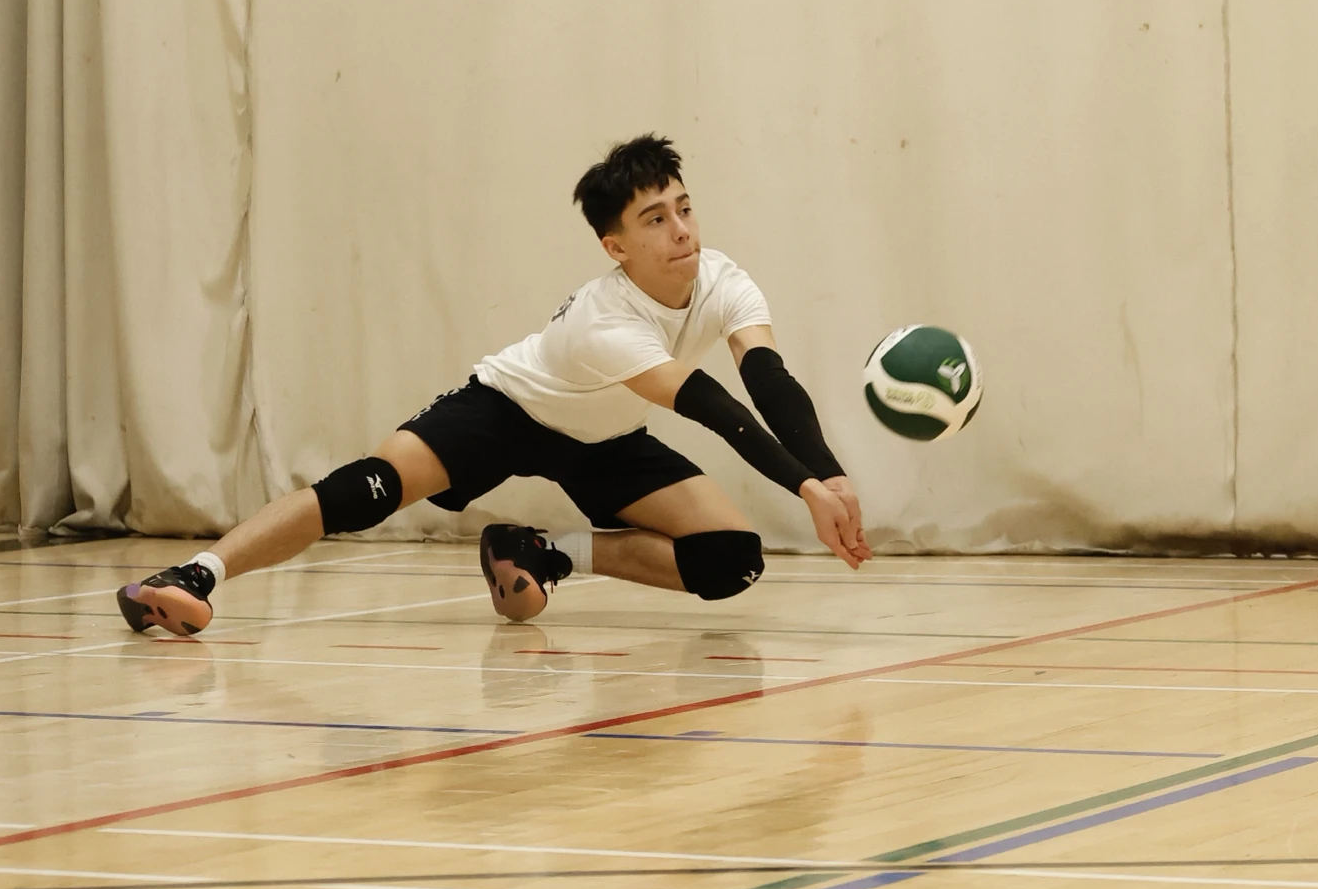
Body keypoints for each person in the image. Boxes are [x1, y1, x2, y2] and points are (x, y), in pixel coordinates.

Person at [115, 134, 867, 636]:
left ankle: (543, 550)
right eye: (655, 219)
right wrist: (805, 491)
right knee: (368, 487)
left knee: (731, 558)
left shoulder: (722, 278)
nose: (681, 230)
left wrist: (829, 476)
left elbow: (769, 383)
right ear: (615, 245)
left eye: (684, 208)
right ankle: (194, 575)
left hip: (603, 437)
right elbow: (713, 407)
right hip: (508, 408)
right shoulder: (607, 322)